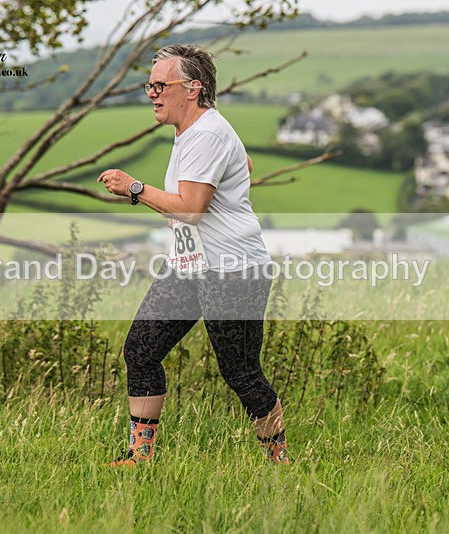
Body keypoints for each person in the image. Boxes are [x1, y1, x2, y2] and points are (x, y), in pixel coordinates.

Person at [97, 44, 288, 465]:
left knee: (240, 373)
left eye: (161, 84)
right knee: (141, 349)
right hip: (190, 266)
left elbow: (192, 209)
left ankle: (280, 463)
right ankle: (138, 457)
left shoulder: (206, 133)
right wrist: (234, 164)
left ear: (193, 88)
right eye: (149, 85)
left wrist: (134, 188)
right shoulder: (199, 133)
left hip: (233, 270)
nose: (151, 92)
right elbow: (246, 163)